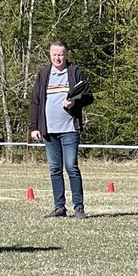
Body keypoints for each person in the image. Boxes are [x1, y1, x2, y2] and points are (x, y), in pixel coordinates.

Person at [29, 40, 94, 219]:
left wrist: (75, 102)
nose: (57, 58)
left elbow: (89, 96)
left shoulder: (75, 72)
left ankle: (79, 208)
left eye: (60, 54)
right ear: (50, 55)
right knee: (54, 169)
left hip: (70, 129)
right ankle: (59, 207)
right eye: (54, 54)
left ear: (66, 55)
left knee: (71, 167)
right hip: (49, 131)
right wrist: (34, 127)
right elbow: (35, 101)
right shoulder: (43, 74)